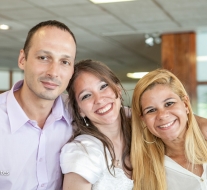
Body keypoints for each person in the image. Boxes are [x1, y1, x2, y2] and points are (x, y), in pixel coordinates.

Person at [0, 20, 76, 189]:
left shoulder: (80, 112)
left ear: (72, 70)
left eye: (64, 62)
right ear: (22, 59)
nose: (53, 72)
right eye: (43, 57)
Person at [60, 59, 133, 190]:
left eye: (103, 86)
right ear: (80, 110)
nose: (99, 100)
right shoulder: (83, 151)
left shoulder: (141, 133)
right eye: (86, 96)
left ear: (118, 88)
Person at [131, 68, 207, 190]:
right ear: (143, 119)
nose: (162, 115)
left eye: (169, 103)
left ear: (186, 104)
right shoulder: (146, 172)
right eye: (151, 110)